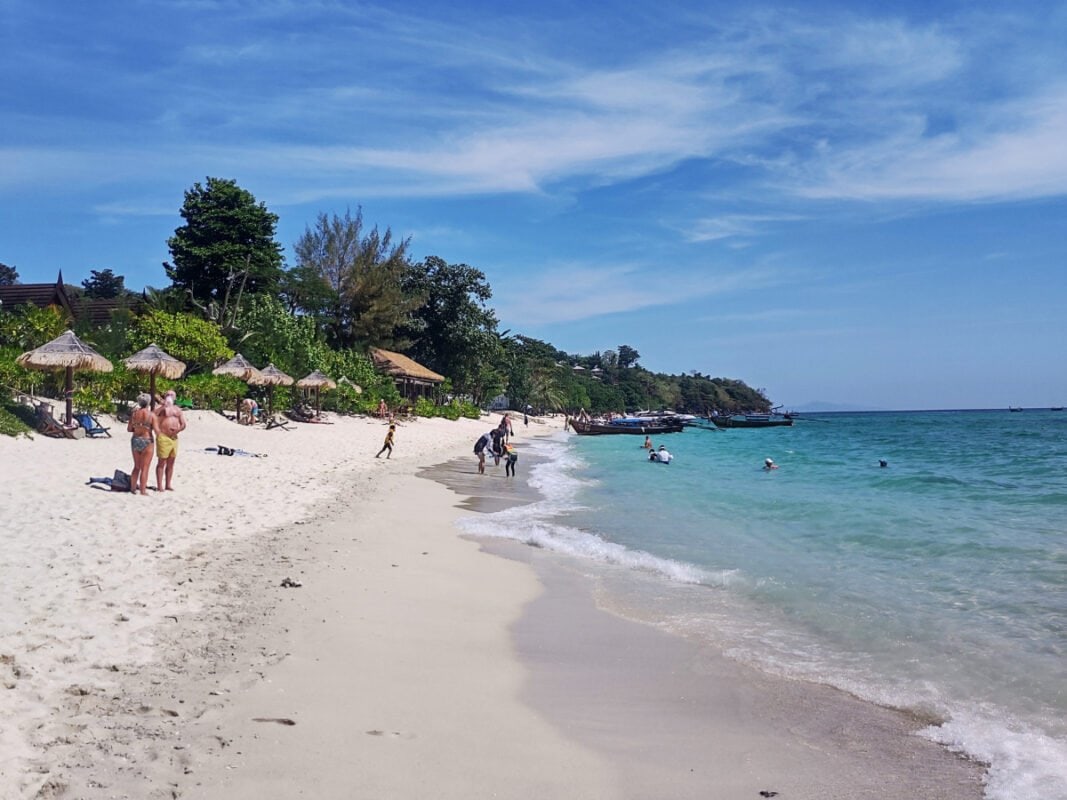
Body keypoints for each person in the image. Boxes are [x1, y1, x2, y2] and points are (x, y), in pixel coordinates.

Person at [154, 390, 187, 491]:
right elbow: (153, 416)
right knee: (161, 462)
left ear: (175, 398)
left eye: (172, 395)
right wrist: (163, 406)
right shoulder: (161, 408)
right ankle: (160, 486)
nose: (169, 396)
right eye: (167, 394)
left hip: (174, 438)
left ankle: (168, 484)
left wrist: (177, 430)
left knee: (171, 462)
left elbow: (183, 424)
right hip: (164, 436)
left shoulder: (177, 409)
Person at [127, 393, 155, 495]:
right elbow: (156, 430)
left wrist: (138, 426)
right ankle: (143, 490)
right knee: (145, 467)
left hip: (135, 439)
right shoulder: (151, 415)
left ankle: (133, 488)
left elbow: (129, 429)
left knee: (136, 467)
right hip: (147, 440)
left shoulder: (134, 414)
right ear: (148, 402)